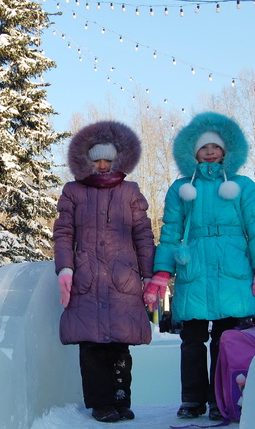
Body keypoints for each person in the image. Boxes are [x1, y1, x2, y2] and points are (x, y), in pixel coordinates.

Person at [142, 112, 255, 422]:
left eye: (216, 147)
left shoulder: (243, 186)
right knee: (191, 340)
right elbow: (171, 231)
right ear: (194, 152)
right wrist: (162, 273)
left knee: (226, 340)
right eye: (204, 148)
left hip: (233, 271)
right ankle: (192, 398)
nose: (211, 152)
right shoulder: (181, 189)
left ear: (226, 151)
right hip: (195, 269)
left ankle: (220, 396)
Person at [54, 120, 156, 423]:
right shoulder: (73, 191)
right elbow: (63, 233)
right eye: (96, 159)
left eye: (107, 159)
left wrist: (149, 275)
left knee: (120, 346)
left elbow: (143, 234)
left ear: (117, 160)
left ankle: (120, 400)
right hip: (87, 277)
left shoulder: (130, 192)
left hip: (122, 278)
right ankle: (101, 403)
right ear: (86, 160)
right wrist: (65, 268)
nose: (101, 165)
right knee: (92, 345)